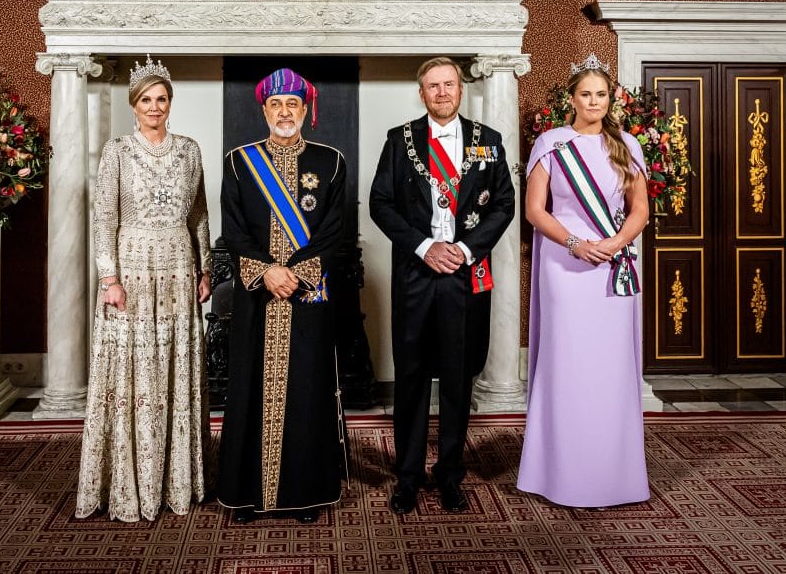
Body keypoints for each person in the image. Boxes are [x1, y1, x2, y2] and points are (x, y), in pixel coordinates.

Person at [369, 57, 514, 514]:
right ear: (422, 93)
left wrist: (466, 250)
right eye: (433, 86)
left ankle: (450, 475)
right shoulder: (399, 141)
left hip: (464, 275)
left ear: (460, 89)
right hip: (416, 274)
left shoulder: (488, 141)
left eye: (449, 84)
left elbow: (504, 205)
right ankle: (408, 476)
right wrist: (424, 247)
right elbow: (380, 203)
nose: (442, 92)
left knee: (456, 377)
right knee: (411, 378)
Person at [76, 55, 213, 522]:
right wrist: (108, 279)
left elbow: (199, 214)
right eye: (146, 100)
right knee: (133, 373)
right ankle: (131, 482)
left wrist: (206, 269)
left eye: (162, 99)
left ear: (171, 103)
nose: (155, 107)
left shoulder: (190, 150)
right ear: (133, 105)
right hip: (131, 273)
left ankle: (178, 479)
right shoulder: (117, 150)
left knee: (174, 368)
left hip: (178, 269)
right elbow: (105, 218)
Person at [516, 54, 650, 508]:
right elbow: (535, 210)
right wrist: (575, 243)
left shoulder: (627, 145)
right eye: (586, 94)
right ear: (571, 99)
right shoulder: (551, 144)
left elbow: (639, 210)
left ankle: (613, 474)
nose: (594, 102)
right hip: (564, 266)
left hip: (612, 265)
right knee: (568, 364)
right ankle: (559, 473)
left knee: (609, 368)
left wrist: (614, 244)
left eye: (601, 94)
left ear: (611, 99)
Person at [218, 68, 347, 525]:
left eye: (293, 104)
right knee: (250, 388)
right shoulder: (239, 162)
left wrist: (296, 275)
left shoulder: (331, 162)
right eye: (276, 104)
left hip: (307, 296)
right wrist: (267, 272)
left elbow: (333, 229)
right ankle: (246, 496)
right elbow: (233, 228)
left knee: (307, 392)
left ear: (305, 110)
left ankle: (305, 495)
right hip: (258, 295)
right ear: (264, 110)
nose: (285, 112)